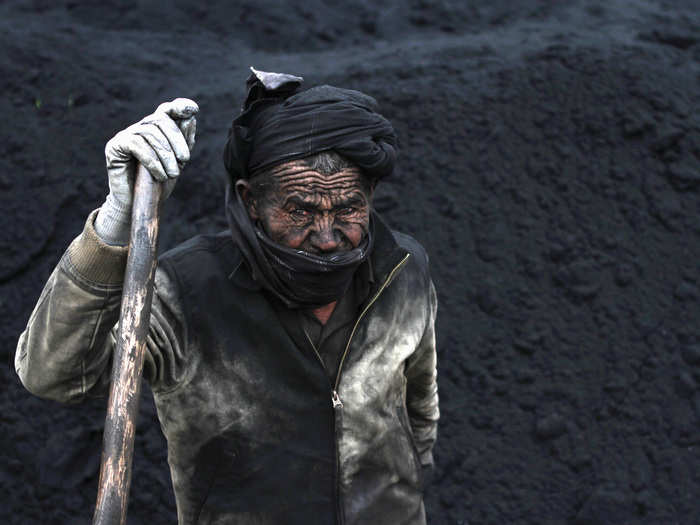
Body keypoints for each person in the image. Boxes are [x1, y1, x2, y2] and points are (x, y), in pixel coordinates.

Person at [15, 68, 439, 525]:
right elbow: (53, 375)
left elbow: (418, 407)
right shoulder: (184, 292)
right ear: (251, 201)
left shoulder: (402, 268)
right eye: (300, 210)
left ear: (370, 197)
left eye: (348, 209)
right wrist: (116, 221)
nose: (328, 237)